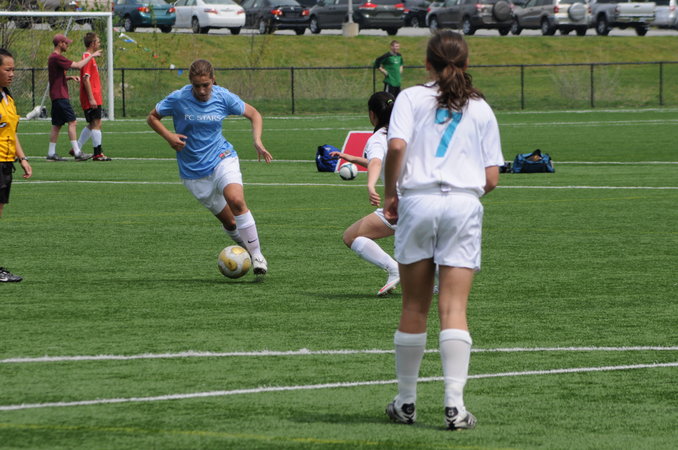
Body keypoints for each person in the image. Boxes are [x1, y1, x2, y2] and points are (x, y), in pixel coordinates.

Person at [382, 31, 504, 430]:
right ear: (466, 63)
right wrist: (462, 192)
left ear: (427, 63)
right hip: (463, 205)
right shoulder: (481, 107)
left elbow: (395, 147)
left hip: (418, 201)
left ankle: (406, 402)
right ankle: (455, 406)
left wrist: (391, 193)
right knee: (454, 308)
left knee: (414, 306)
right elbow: (491, 178)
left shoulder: (409, 98)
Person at [147, 59, 272, 276]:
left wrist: (257, 141)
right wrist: (169, 136)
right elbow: (152, 117)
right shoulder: (178, 98)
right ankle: (247, 250)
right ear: (191, 83)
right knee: (230, 223)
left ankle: (257, 256)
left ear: (213, 80)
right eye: (197, 86)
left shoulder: (223, 96)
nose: (202, 90)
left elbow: (254, 114)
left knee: (236, 201)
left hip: (222, 158)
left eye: (206, 85)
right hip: (193, 172)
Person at [329, 92, 399, 297]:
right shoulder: (406, 132)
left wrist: (370, 185)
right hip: (430, 199)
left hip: (403, 203)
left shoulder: (378, 138)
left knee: (351, 236)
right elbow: (381, 162)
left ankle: (395, 269)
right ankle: (439, 280)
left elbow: (376, 162)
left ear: (372, 114)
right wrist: (350, 157)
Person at [0, 48, 32, 282]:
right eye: (7, 69)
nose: (12, 74)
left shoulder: (7, 98)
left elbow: (12, 132)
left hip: (5, 164)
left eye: (13, 69)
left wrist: (22, 158)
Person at [46, 33, 101, 162]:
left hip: (55, 95)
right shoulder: (57, 57)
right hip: (61, 95)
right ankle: (77, 151)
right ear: (60, 44)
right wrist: (92, 55)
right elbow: (78, 65)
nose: (67, 45)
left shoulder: (52, 58)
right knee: (72, 122)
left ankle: (51, 153)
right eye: (66, 43)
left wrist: (69, 77)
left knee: (57, 125)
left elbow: (56, 78)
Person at [77, 32, 111, 161]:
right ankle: (97, 154)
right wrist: (91, 98)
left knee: (94, 123)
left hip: (95, 96)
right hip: (91, 97)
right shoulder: (87, 57)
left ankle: (77, 148)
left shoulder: (90, 58)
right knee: (96, 123)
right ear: (92, 43)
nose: (99, 43)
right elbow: (86, 79)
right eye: (98, 41)